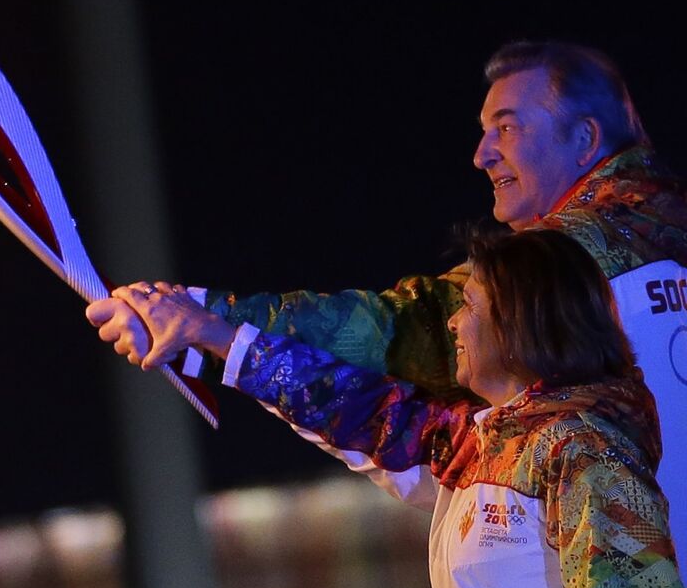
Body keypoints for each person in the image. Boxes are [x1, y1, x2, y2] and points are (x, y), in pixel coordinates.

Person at [86, 41, 687, 551]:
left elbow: (397, 331)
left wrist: (201, 318)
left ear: (585, 137)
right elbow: (390, 429)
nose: (482, 155)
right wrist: (214, 338)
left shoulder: (558, 266)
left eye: (506, 127)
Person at [116, 229, 687, 588]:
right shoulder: (477, 443)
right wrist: (212, 334)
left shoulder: (585, 452)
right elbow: (357, 409)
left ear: (518, 324)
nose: (454, 323)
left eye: (468, 304)